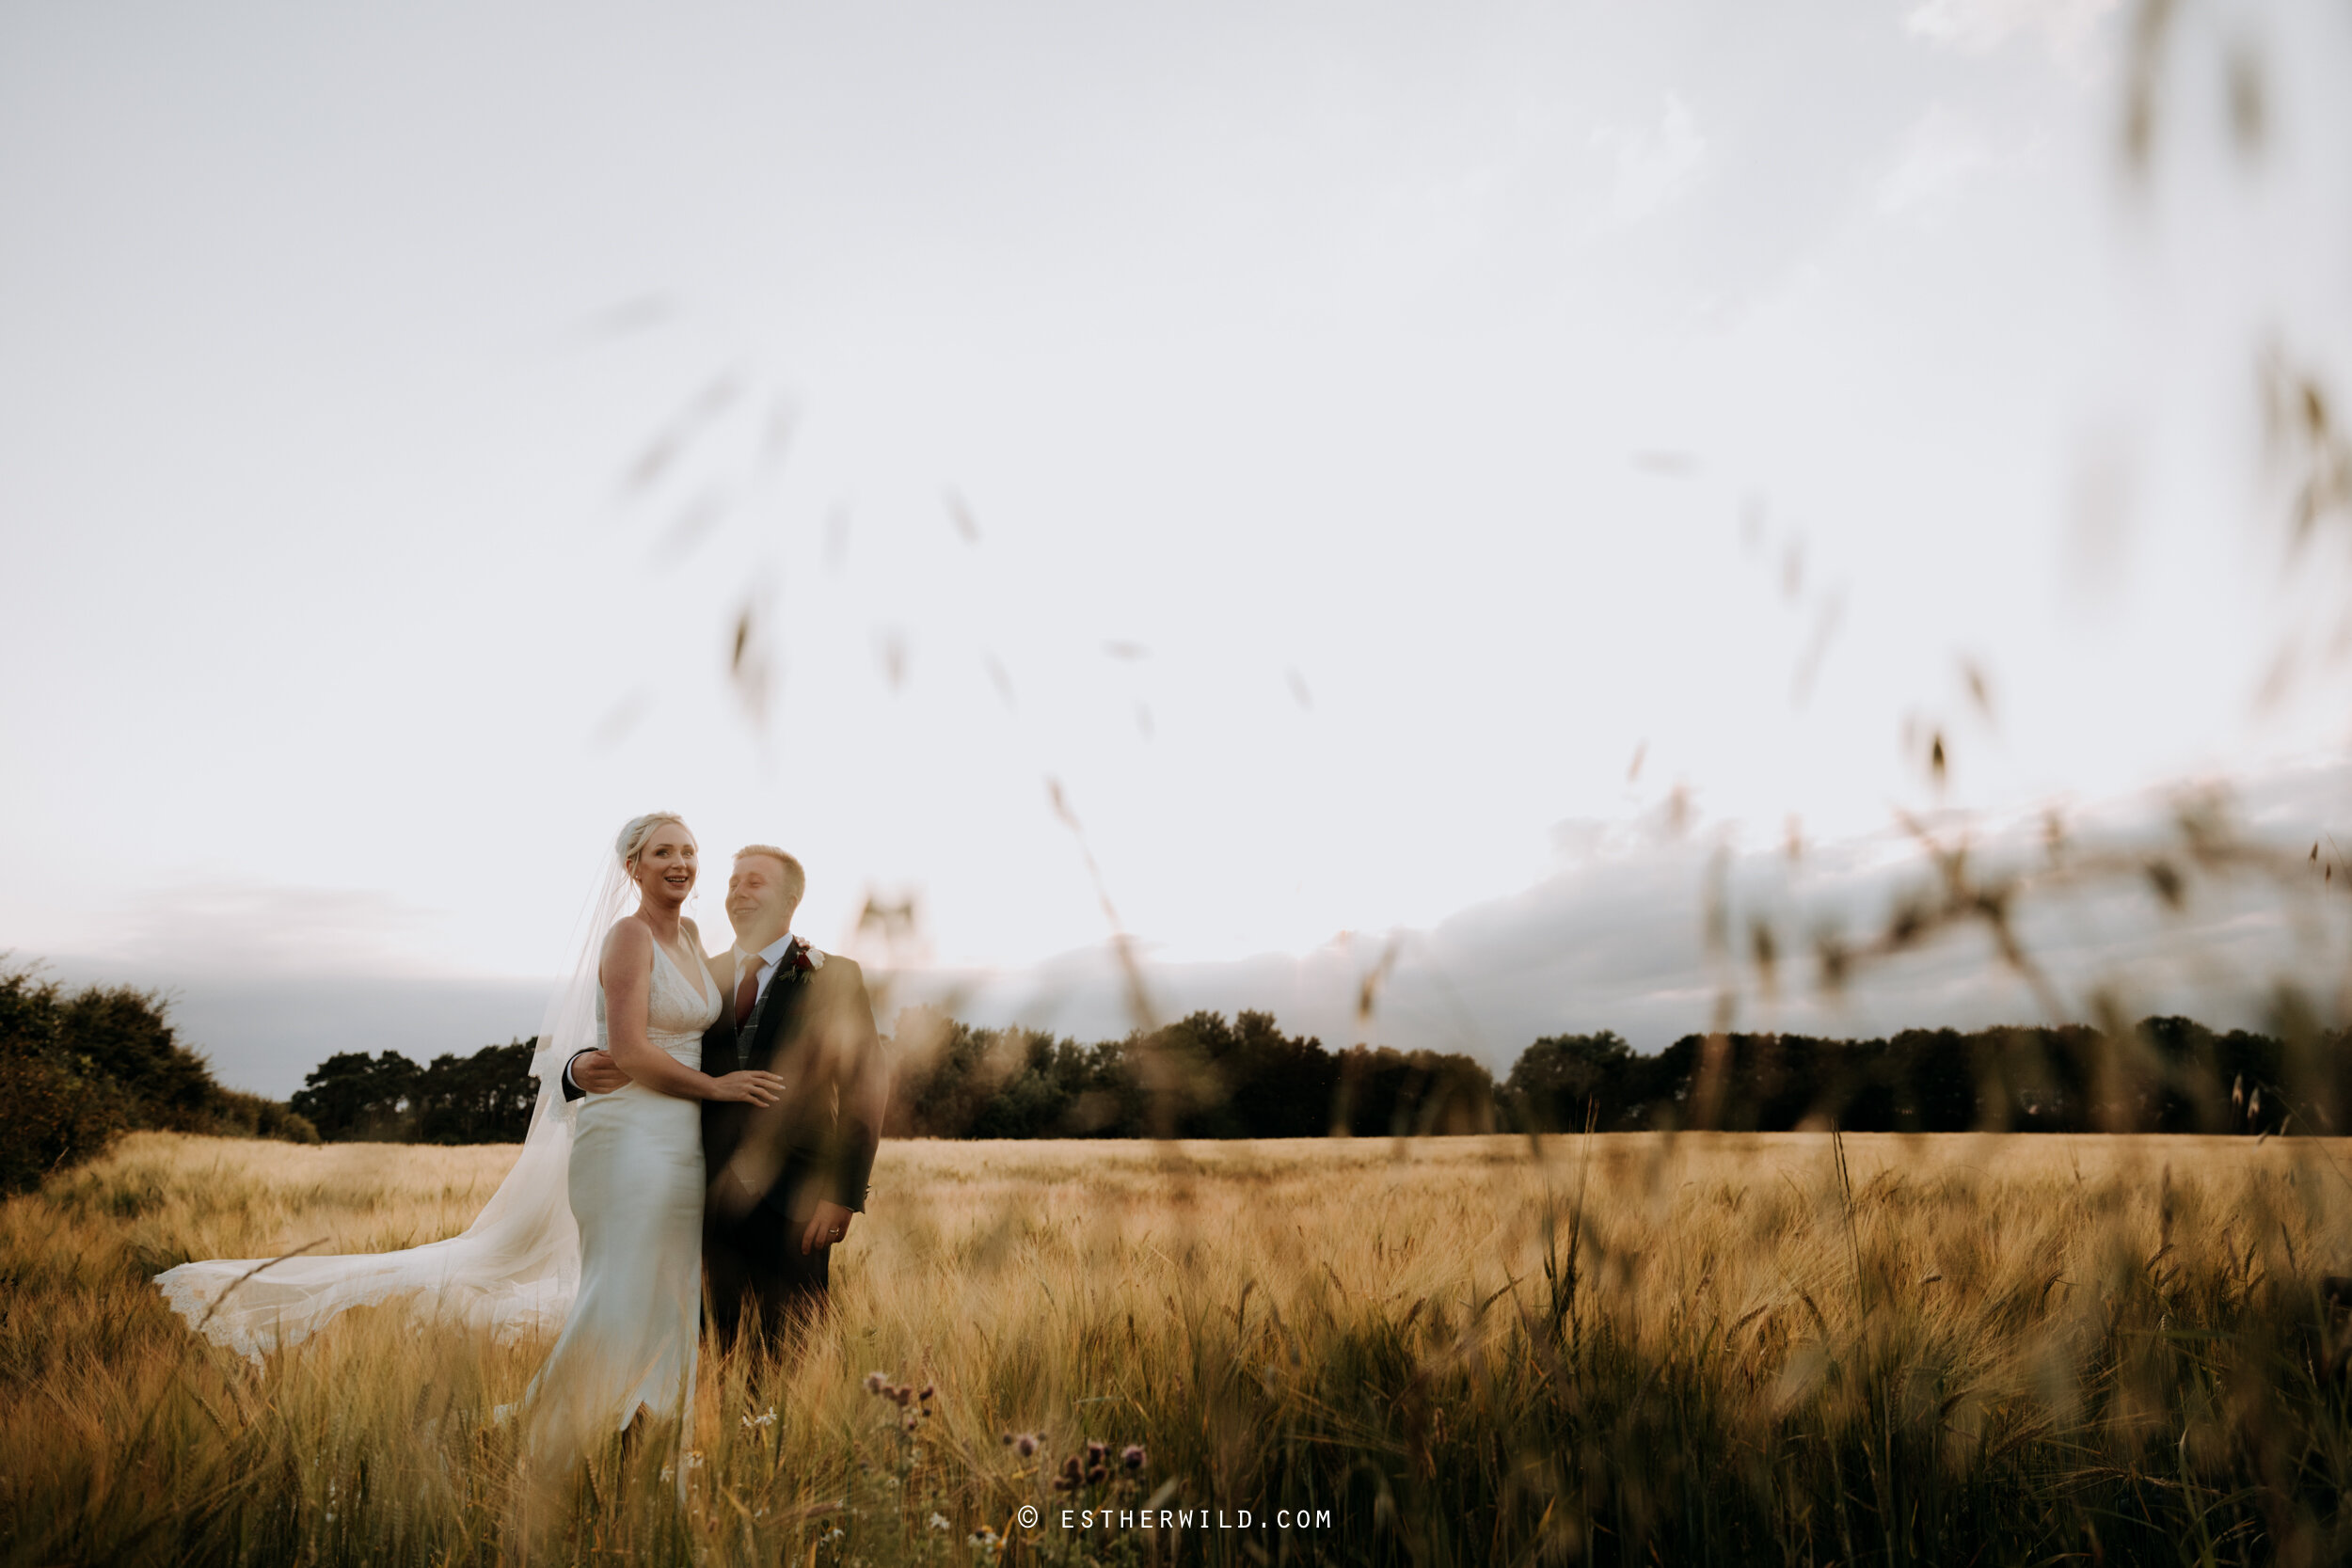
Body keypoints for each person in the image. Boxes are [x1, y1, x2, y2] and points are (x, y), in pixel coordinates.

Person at [152, 812, 787, 1467]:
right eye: (663, 852)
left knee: (670, 1284)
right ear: (634, 866)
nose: (680, 862)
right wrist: (717, 1088)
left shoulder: (688, 934)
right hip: (626, 1133)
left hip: (679, 1137)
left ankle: (647, 1425)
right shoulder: (628, 937)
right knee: (620, 1285)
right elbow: (626, 1047)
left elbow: (703, 1025)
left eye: (688, 850)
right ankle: (556, 1433)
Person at [565, 843, 888, 1351]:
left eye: (754, 883)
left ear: (790, 899)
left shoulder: (836, 976)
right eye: (733, 883)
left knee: (795, 1348)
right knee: (710, 1347)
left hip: (798, 1200)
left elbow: (864, 1088)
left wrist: (843, 1194)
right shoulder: (698, 976)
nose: (738, 893)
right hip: (703, 1194)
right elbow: (637, 1037)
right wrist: (575, 1066)